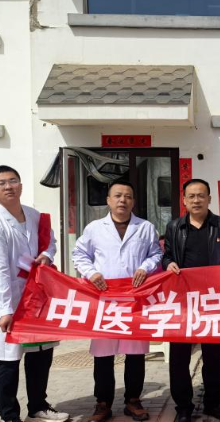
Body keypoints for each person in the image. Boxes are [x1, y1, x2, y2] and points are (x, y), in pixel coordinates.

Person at [0, 165, 69, 422]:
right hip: (12, 299)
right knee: (9, 358)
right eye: (2, 183)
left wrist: (47, 255)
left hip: (37, 297)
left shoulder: (34, 215)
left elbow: (50, 242)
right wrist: (5, 310)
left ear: (20, 185)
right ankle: (10, 416)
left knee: (41, 352)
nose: (9, 186)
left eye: (13, 181)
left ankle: (38, 406)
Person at [72, 179, 162, 422]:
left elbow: (156, 253)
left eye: (128, 196)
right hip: (105, 300)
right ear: (108, 200)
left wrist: (145, 267)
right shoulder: (94, 228)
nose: (123, 200)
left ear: (133, 202)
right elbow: (79, 254)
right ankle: (103, 403)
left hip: (134, 300)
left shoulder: (145, 227)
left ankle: (133, 400)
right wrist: (91, 273)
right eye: (118, 195)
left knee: (135, 354)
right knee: (103, 354)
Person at [161, 179, 220, 422]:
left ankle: (212, 403)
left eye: (201, 195)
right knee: (179, 356)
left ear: (209, 199)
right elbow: (166, 255)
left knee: (212, 355)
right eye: (191, 196)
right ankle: (183, 406)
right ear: (184, 200)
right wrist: (168, 263)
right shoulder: (174, 227)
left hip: (213, 300)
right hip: (183, 300)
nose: (196, 200)